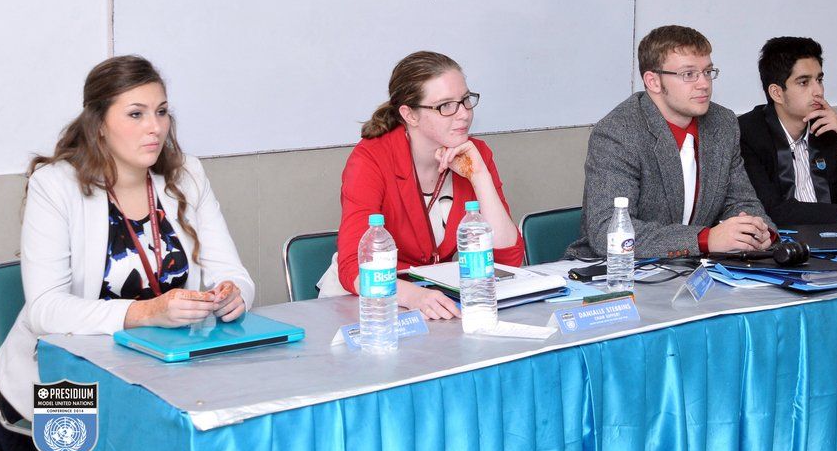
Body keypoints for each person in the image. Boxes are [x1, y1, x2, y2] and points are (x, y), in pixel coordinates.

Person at [0, 56, 254, 451]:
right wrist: (147, 311)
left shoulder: (186, 174)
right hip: (64, 381)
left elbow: (234, 273)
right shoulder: (56, 185)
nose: (155, 127)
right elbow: (45, 310)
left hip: (161, 372)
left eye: (161, 111)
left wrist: (234, 294)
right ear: (99, 126)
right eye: (136, 114)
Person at [317, 51, 523, 319]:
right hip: (364, 300)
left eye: (465, 100)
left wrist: (479, 175)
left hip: (432, 299)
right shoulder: (371, 158)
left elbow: (508, 259)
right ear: (410, 115)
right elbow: (353, 265)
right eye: (445, 106)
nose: (463, 114)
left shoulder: (475, 153)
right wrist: (413, 296)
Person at [566, 25, 775, 260]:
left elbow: (742, 202)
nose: (704, 84)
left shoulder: (723, 123)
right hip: (616, 268)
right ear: (653, 81)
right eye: (689, 74)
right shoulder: (618, 133)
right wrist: (704, 239)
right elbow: (608, 231)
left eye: (707, 72)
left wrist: (759, 232)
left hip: (693, 268)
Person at [738, 37, 837, 233]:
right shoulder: (748, 134)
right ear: (777, 93)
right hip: (782, 244)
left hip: (834, 238)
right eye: (804, 82)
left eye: (819, 80)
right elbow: (771, 210)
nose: (818, 91)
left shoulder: (827, 129)